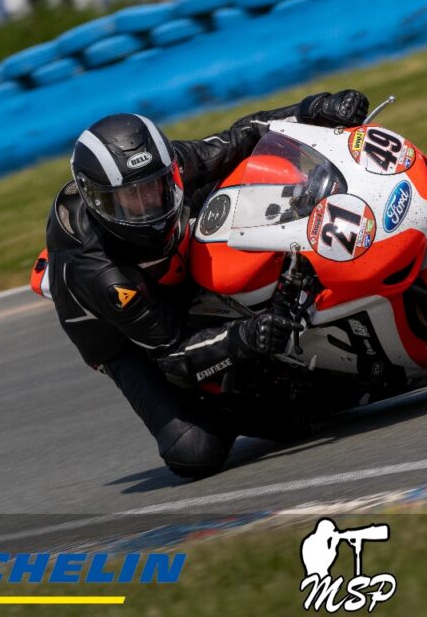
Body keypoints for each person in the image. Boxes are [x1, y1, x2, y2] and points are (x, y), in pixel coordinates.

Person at [40, 90, 369, 478]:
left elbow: (244, 135)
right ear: (99, 203)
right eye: (132, 200)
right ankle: (245, 403)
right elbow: (174, 354)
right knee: (194, 450)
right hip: (129, 336)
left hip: (172, 263)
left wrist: (314, 109)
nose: (149, 206)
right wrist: (247, 336)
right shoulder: (101, 274)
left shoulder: (168, 166)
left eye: (155, 188)